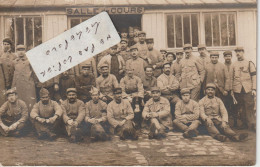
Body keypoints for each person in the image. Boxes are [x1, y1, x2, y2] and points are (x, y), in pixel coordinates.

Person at [231, 47, 256, 131]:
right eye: (236, 52)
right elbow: (231, 78)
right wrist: (231, 89)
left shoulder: (249, 63)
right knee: (240, 107)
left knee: (249, 106)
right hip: (237, 88)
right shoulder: (233, 64)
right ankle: (244, 124)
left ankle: (252, 125)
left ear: (243, 52)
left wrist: (254, 89)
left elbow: (254, 76)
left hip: (247, 88)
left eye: (239, 51)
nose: (238, 53)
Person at [12, 45, 37, 110]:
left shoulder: (29, 61)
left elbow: (34, 73)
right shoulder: (14, 62)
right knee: (19, 102)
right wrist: (13, 86)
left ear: (25, 51)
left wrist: (35, 83)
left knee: (30, 102)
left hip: (28, 85)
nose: (21, 52)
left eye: (22, 50)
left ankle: (30, 117)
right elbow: (13, 75)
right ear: (16, 51)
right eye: (19, 50)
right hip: (18, 85)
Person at [222, 51, 236, 127]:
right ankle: (227, 122)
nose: (228, 57)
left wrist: (233, 88)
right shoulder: (221, 65)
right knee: (225, 106)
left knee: (234, 106)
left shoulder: (234, 65)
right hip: (225, 90)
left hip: (233, 89)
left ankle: (235, 122)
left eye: (229, 56)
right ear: (224, 57)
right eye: (226, 56)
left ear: (231, 57)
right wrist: (225, 89)